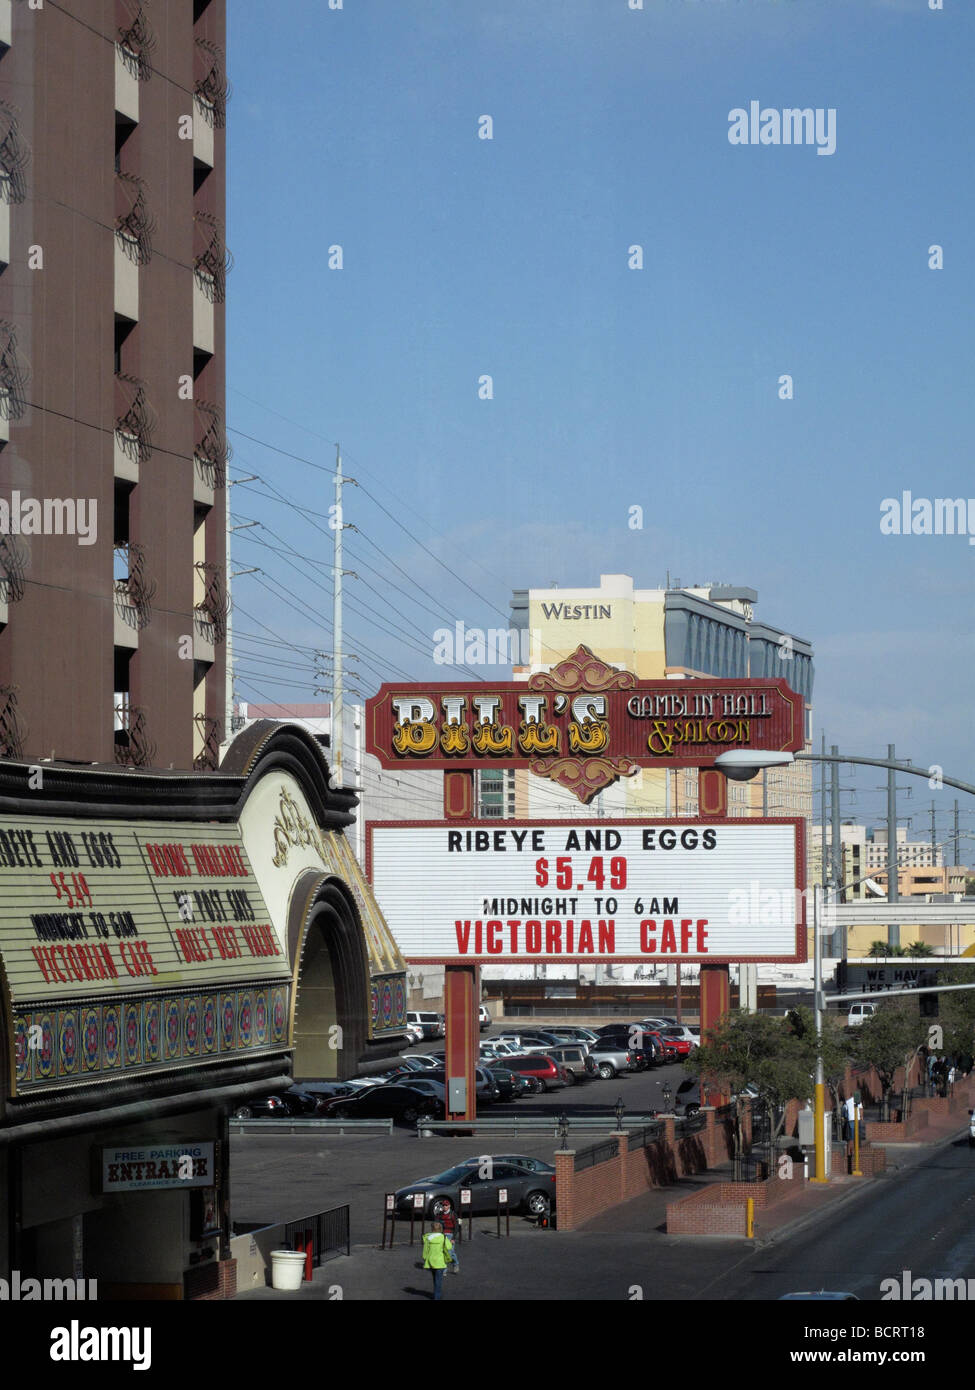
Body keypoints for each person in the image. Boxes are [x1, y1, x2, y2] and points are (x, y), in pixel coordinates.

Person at [421, 1220, 454, 1300]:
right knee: (438, 1281)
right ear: (441, 1229)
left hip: (431, 1262)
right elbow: (449, 1247)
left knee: (435, 1279)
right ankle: (437, 1297)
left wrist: (425, 1258)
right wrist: (451, 1242)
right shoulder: (443, 1237)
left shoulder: (428, 1238)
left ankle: (436, 1294)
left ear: (432, 1229)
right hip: (440, 1262)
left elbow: (425, 1251)